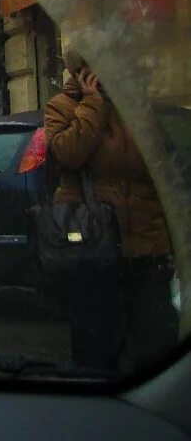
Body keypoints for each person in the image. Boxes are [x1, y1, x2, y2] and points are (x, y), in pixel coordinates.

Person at [44, 49, 177, 372]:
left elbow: (165, 167)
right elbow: (67, 154)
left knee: (154, 336)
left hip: (147, 241)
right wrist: (92, 105)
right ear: (82, 71)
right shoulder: (63, 107)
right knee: (96, 338)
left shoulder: (140, 109)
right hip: (93, 241)